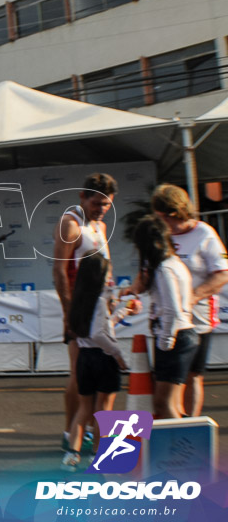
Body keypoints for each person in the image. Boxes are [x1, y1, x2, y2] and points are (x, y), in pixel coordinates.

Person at [52, 172, 117, 451]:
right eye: (97, 203)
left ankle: (91, 430)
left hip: (101, 311)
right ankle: (70, 432)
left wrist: (113, 298)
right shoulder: (71, 224)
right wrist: (69, 314)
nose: (101, 209)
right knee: (80, 376)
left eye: (107, 204)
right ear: (83, 196)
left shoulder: (99, 226)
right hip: (80, 313)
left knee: (99, 378)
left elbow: (106, 265)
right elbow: (58, 270)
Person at [151, 184, 228, 416]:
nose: (158, 220)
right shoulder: (159, 235)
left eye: (160, 216)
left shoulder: (204, 233)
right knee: (168, 378)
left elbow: (223, 273)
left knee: (193, 374)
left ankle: (191, 425)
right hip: (165, 318)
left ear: (173, 214)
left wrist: (192, 298)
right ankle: (173, 424)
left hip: (197, 318)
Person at [61, 253, 141, 471]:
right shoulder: (98, 300)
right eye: (107, 272)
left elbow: (101, 327)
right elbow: (99, 333)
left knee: (84, 409)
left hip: (85, 358)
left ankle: (72, 454)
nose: (110, 277)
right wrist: (117, 354)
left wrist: (121, 312)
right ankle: (99, 454)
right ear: (99, 275)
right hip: (102, 357)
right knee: (103, 410)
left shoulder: (78, 298)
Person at [131, 215, 199, 419]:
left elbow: (172, 310)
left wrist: (165, 342)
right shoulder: (174, 263)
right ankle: (180, 447)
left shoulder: (165, 268)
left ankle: (180, 449)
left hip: (175, 336)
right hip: (182, 334)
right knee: (171, 403)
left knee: (163, 403)